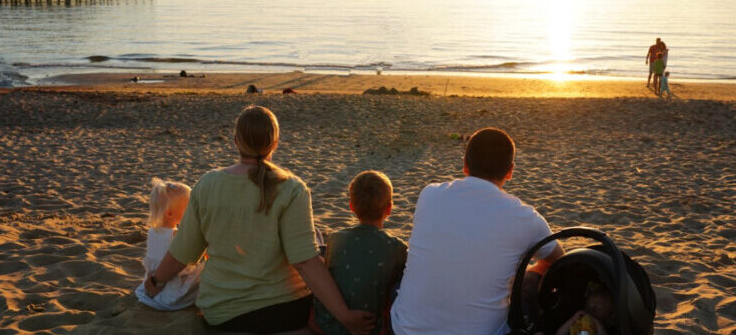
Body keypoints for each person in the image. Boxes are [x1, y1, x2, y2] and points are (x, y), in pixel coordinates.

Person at [144, 106, 375, 334]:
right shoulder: (292, 189)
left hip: (221, 313)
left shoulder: (207, 185)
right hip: (285, 312)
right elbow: (305, 261)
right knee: (320, 246)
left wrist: (155, 282)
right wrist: (344, 315)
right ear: (275, 143)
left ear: (236, 141)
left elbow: (181, 253)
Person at [390, 128, 564, 335]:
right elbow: (559, 261)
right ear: (510, 171)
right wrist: (529, 273)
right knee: (531, 282)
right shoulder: (525, 218)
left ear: (465, 165)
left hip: (404, 329)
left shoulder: (430, 194)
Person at [312, 171, 408, 335]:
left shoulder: (336, 238)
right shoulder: (397, 247)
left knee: (319, 244)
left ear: (351, 206)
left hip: (330, 325)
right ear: (389, 208)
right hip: (372, 328)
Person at [135, 178, 204, 311]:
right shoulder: (176, 235)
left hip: (153, 283)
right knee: (204, 269)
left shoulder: (152, 231)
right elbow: (181, 264)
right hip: (172, 291)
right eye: (188, 207)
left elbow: (154, 259)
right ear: (170, 214)